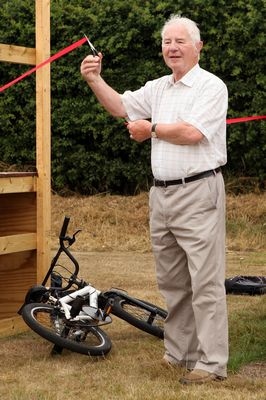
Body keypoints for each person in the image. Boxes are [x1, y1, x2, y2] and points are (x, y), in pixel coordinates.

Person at [80, 14, 228, 385]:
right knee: (174, 283)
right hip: (161, 195)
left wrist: (153, 129)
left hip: (198, 191)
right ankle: (180, 354)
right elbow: (120, 107)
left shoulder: (211, 87)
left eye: (180, 41)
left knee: (205, 283)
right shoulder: (158, 88)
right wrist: (95, 79)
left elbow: (193, 133)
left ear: (198, 47)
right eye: (167, 42)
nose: (172, 47)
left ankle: (211, 364)